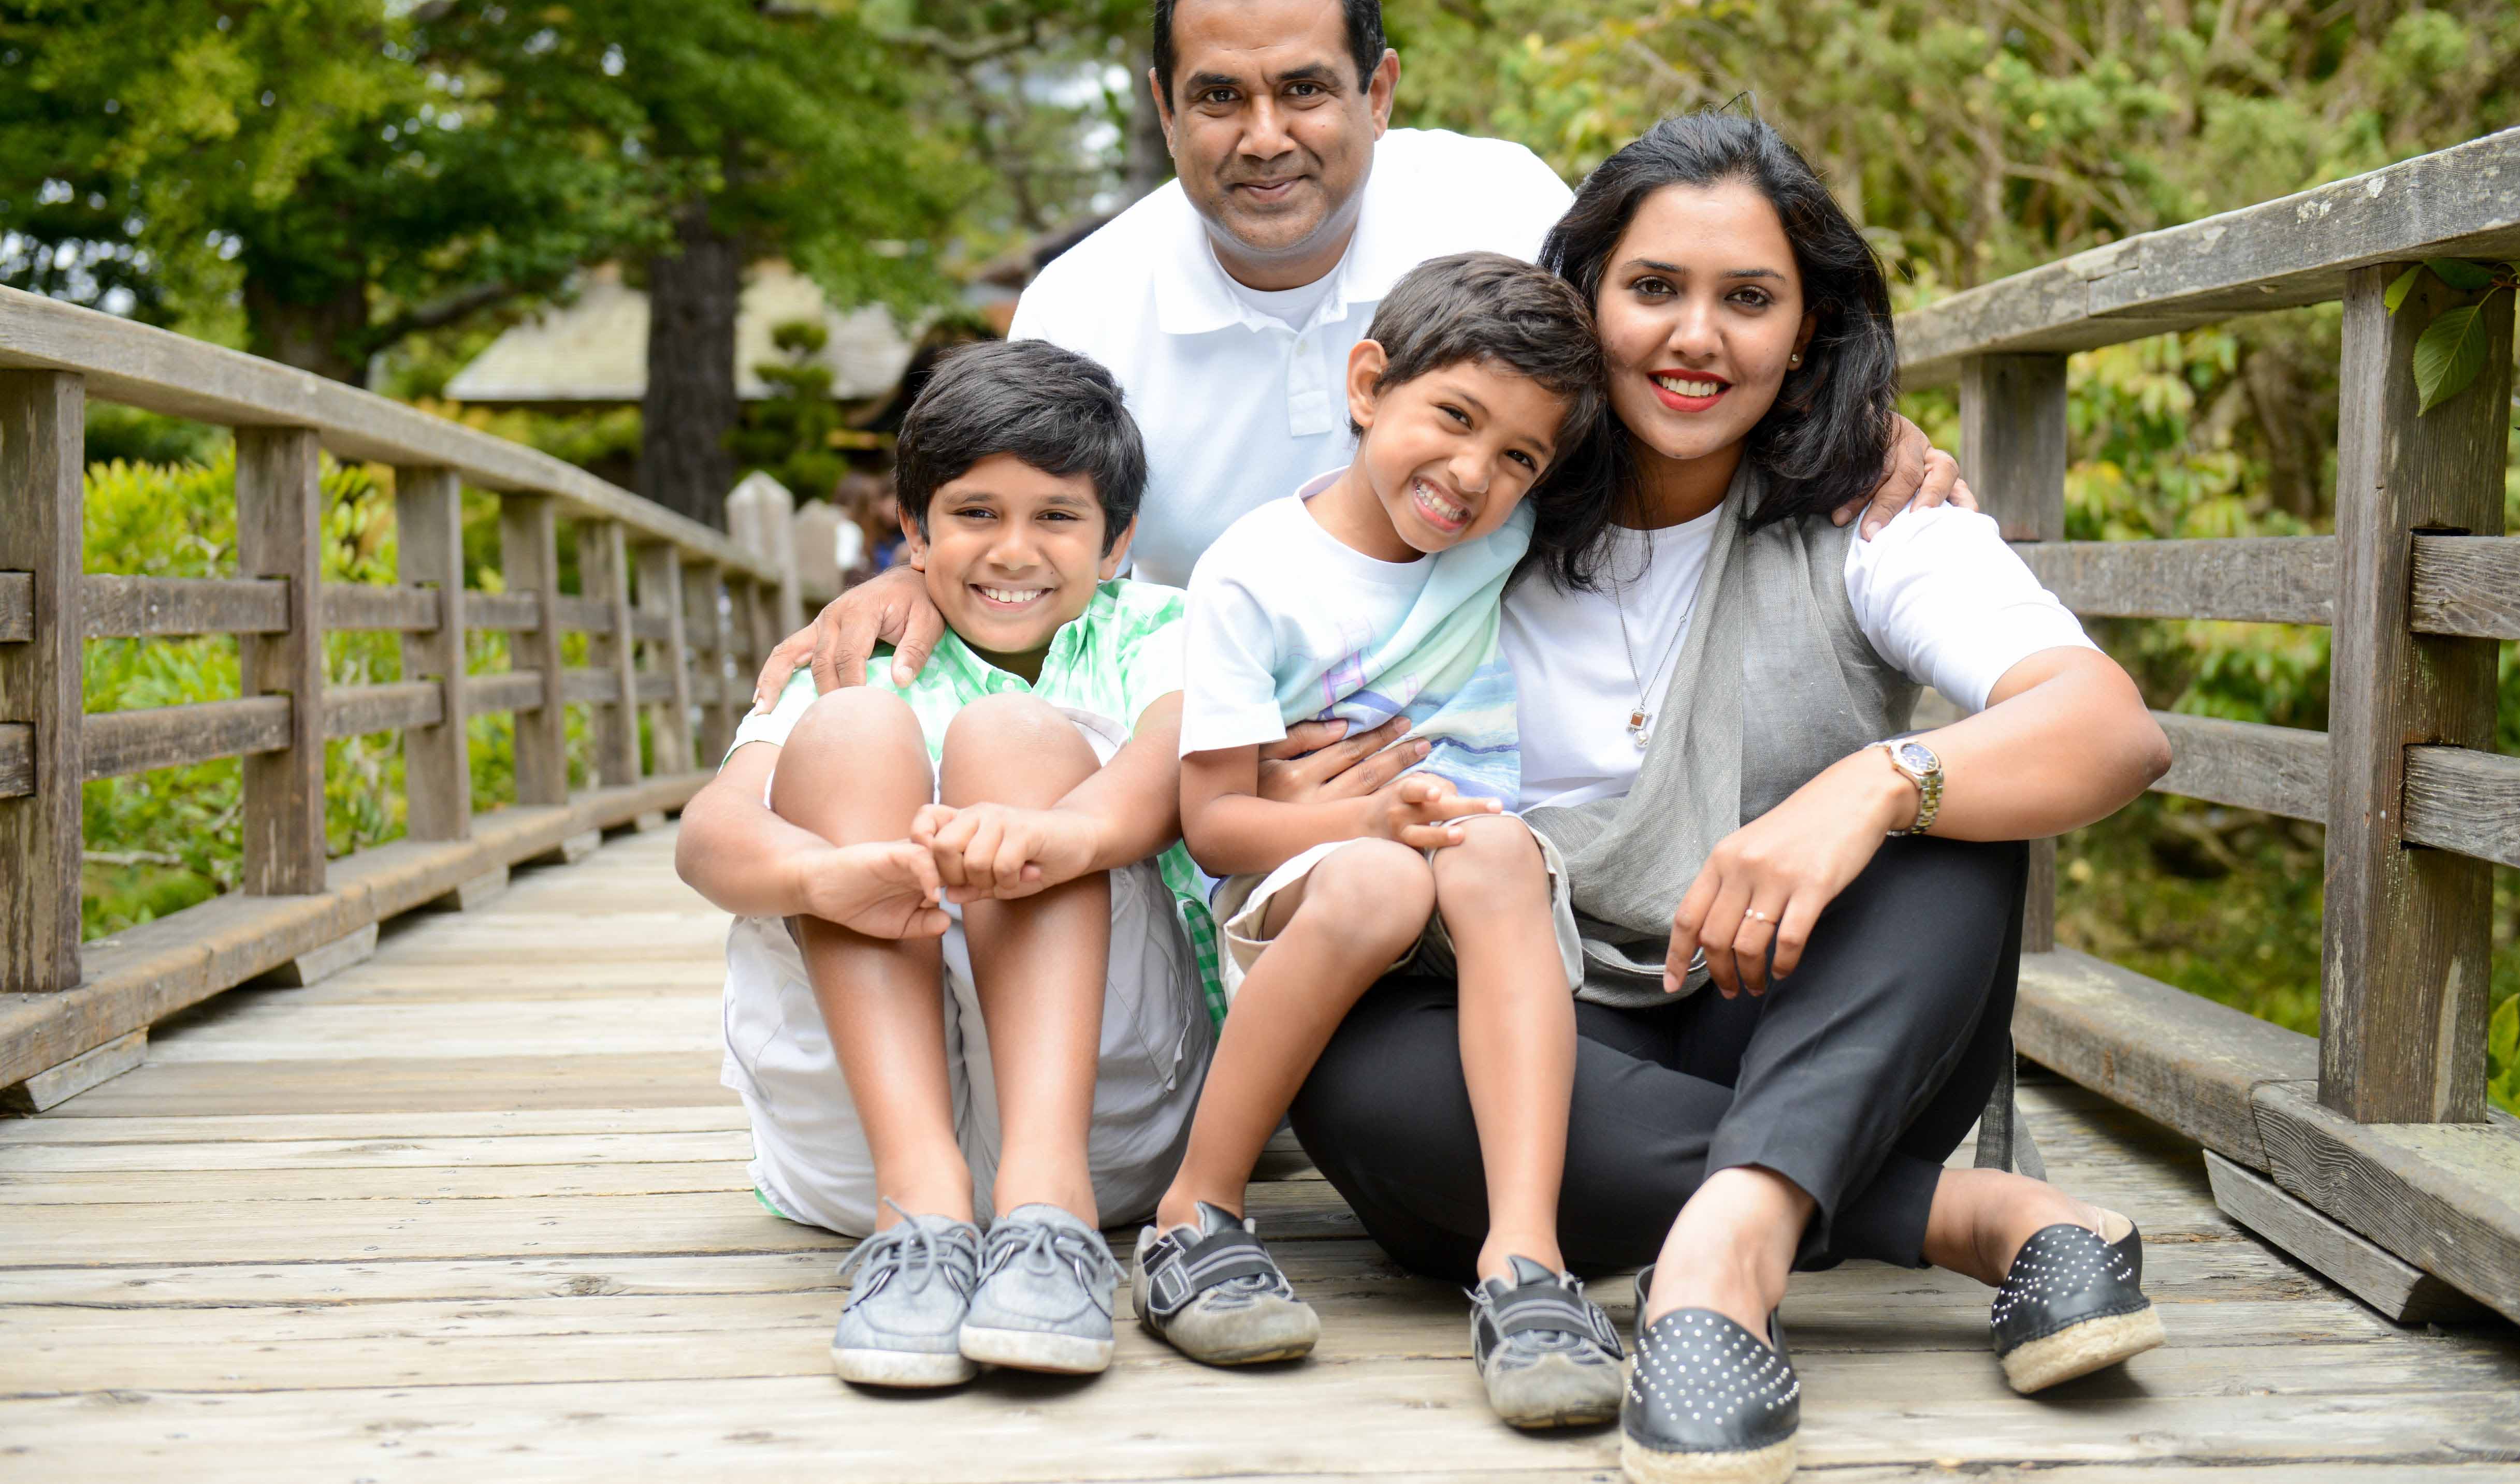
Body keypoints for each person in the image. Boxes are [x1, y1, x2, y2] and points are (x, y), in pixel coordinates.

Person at [1278, 112, 2175, 1484]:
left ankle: (1715, 1268)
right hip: (1530, 1052)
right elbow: (1219, 613)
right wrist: (916, 589)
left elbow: (2111, 726)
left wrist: (1876, 781)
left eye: (1748, 299)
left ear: (1806, 333)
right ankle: (1978, 1217)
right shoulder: (1461, 502)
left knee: (1950, 824)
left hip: (1786, 1025)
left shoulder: (1874, 520)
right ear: (1583, 301)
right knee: (1353, 1066)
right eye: (1654, 290)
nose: (1697, 336)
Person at [753, 0, 1961, 708]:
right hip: (1200, 738)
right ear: (1165, 108)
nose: (1265, 138)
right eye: (1219, 96)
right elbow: (1019, 522)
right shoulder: (1080, 302)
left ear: (1378, 92)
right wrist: (924, 577)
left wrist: (1840, 428)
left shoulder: (1503, 203)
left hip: (1494, 713)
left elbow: (1677, 364)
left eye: (1306, 90)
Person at [1133, 253, 1626, 1429]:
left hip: (1461, 861)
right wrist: (1360, 818)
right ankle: (1194, 1212)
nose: (1473, 475)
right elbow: (1214, 822)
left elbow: (1719, 441)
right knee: (1372, 884)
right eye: (1453, 418)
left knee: (1501, 851)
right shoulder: (1255, 574)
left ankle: (1525, 1261)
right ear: (1368, 383)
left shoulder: (1497, 536)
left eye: (1520, 457)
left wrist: (1891, 440)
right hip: (1314, 873)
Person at [673, 341, 1215, 1390]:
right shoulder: (855, 656)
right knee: (849, 732)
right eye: (975, 514)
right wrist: (819, 876)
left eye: (1056, 515)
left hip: (1102, 1130)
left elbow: (1167, 763)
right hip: (855, 1146)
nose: (1014, 549)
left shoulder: (1161, 628)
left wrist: (1053, 835)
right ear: (912, 534)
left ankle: (1046, 1216)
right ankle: (918, 1212)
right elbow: (710, 834)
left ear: (1118, 543)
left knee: (1014, 734)